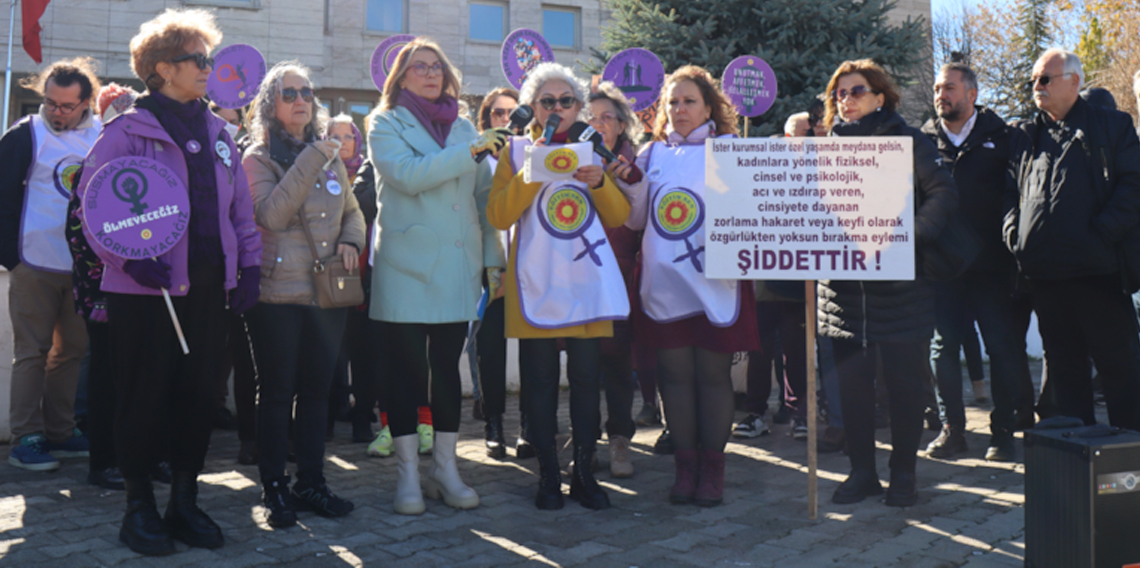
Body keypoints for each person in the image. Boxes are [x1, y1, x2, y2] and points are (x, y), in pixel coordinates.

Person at [75, 8, 262, 555]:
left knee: (198, 395)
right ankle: (139, 507)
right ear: (161, 69)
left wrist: (247, 266)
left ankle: (185, 500)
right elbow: (94, 204)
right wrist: (128, 260)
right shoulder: (126, 130)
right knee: (143, 396)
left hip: (209, 288)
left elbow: (240, 212)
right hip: (145, 290)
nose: (209, 67)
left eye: (208, 57)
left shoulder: (220, 132)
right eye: (197, 60)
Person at [367, 37, 507, 515]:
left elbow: (486, 199)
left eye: (437, 67)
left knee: (448, 371)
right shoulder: (384, 122)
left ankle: (444, 469)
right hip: (407, 265)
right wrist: (470, 151)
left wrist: (493, 260)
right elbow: (408, 174)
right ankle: (407, 474)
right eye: (418, 67)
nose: (429, 74)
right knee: (405, 372)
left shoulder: (466, 126)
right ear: (401, 77)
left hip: (458, 264)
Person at [487, 62, 630, 511]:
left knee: (588, 381)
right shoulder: (513, 153)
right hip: (534, 284)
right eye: (547, 102)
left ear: (577, 108)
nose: (558, 109)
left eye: (566, 101)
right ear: (532, 108)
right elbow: (498, 216)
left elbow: (619, 216)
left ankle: (583, 472)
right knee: (540, 383)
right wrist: (532, 174)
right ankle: (548, 474)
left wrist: (600, 183)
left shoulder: (591, 149)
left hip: (585, 282)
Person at [819, 59, 958, 507]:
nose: (846, 100)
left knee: (904, 389)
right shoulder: (825, 148)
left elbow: (942, 193)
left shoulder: (909, 142)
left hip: (901, 291)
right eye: (839, 93)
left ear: (880, 96)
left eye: (856, 91)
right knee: (853, 391)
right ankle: (862, 472)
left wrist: (907, 238)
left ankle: (904, 474)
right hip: (842, 293)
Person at [623, 65, 758, 507]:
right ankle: (685, 469)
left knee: (714, 376)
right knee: (674, 378)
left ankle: (713, 471)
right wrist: (635, 186)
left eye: (688, 101)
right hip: (664, 285)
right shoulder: (651, 154)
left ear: (708, 106)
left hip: (716, 280)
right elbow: (636, 221)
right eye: (672, 103)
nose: (679, 110)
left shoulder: (732, 150)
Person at [241, 61, 364, 528]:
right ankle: (273, 487)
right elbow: (270, 216)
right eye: (289, 93)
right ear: (271, 105)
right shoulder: (257, 158)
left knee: (316, 393)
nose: (300, 100)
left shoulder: (329, 155)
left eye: (306, 92)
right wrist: (314, 156)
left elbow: (352, 211)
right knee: (276, 393)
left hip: (325, 294)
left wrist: (352, 241)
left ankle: (310, 480)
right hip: (277, 296)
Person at [1005, 49, 1140, 431]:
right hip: (1046, 277)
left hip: (1098, 273)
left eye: (1045, 79)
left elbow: (1134, 186)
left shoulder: (1111, 126)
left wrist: (1100, 234)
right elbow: (1009, 194)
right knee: (1066, 376)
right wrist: (1015, 236)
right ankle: (1081, 468)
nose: (1037, 87)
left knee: (1120, 370)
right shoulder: (1026, 134)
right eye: (1033, 80)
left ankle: (1129, 462)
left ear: (1074, 81)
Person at [920, 62, 1031, 462]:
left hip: (992, 266)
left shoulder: (1002, 138)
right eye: (937, 88)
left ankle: (1002, 432)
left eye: (948, 87)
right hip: (941, 267)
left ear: (972, 94)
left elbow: (1016, 193)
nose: (940, 95)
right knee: (943, 347)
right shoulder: (922, 141)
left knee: (1002, 348)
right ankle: (953, 430)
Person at [1, 57, 100, 473]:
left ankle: (60, 431)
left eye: (66, 105)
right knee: (32, 352)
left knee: (72, 352)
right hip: (34, 262)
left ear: (85, 103)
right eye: (50, 102)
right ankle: (27, 436)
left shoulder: (103, 134)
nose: (56, 111)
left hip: (81, 267)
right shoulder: (25, 134)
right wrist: (13, 261)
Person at [66, 83, 139, 490]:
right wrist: (113, 268)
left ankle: (144, 457)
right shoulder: (94, 162)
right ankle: (103, 461)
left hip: (144, 290)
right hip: (103, 290)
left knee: (143, 374)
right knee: (108, 374)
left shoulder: (146, 164)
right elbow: (78, 230)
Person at [469, 87, 534, 460]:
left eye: (514, 112)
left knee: (532, 349)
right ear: (487, 118)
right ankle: (493, 422)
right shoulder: (477, 157)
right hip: (490, 266)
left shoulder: (534, 153)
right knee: (489, 346)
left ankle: (529, 425)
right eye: (498, 113)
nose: (507, 120)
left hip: (530, 264)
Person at [587, 81, 644, 478]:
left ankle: (620, 439)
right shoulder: (568, 159)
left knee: (619, 363)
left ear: (621, 125)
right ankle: (585, 437)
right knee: (583, 363)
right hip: (579, 272)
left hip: (622, 271)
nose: (599, 124)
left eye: (607, 117)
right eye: (591, 117)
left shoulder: (634, 163)